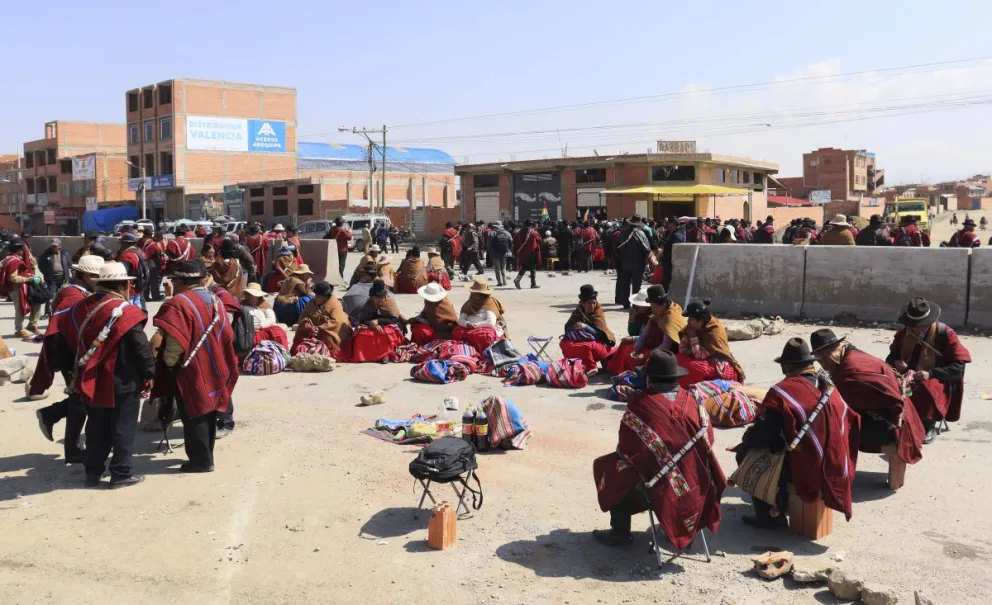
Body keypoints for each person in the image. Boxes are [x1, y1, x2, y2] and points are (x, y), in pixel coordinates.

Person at [592, 350, 726, 548]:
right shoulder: (694, 401)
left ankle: (620, 533)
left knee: (611, 469)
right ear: (675, 377)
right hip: (698, 479)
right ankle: (686, 528)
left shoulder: (641, 404)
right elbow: (709, 439)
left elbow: (627, 448)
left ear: (649, 378)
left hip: (657, 482)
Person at [734, 338, 860, 529]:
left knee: (745, 453)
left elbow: (762, 435)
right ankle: (781, 503)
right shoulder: (830, 386)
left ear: (786, 367)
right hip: (836, 462)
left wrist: (747, 439)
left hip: (807, 466)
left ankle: (770, 516)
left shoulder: (783, 393)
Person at [61, 261, 154, 488]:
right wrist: (150, 373)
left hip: (92, 379)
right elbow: (140, 347)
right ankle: (120, 473)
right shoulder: (126, 312)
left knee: (96, 427)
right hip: (123, 380)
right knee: (123, 427)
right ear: (123, 286)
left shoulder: (81, 308)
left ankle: (92, 473)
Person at [152, 260, 238, 473]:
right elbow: (226, 332)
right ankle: (206, 455)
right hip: (214, 364)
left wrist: (169, 364)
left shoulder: (177, 303)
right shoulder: (216, 299)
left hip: (190, 367)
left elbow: (174, 342)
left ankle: (201, 461)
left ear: (181, 281)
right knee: (208, 411)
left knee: (194, 412)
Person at [811, 328, 924, 465]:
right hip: (892, 414)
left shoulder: (851, 369)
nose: (821, 364)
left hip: (891, 425)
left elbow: (844, 404)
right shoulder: (852, 353)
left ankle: (835, 469)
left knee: (830, 429)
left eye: (821, 359)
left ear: (828, 354)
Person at [30, 255, 104, 463]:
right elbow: (66, 328)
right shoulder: (73, 296)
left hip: (74, 352)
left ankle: (51, 415)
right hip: (71, 354)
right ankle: (72, 449)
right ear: (86, 276)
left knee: (81, 397)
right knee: (81, 400)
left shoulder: (76, 292)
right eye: (97, 277)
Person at [885, 297, 971, 443]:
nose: (913, 328)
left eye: (918, 325)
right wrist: (897, 362)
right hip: (907, 374)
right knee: (886, 385)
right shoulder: (904, 333)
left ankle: (927, 425)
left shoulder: (945, 333)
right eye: (911, 325)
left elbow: (958, 366)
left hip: (937, 376)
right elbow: (891, 357)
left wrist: (930, 373)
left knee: (926, 389)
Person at [608, 285, 686, 375]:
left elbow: (666, 345)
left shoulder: (670, 317)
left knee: (650, 363)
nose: (652, 310)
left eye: (654, 307)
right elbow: (643, 336)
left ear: (664, 305)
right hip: (652, 347)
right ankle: (621, 372)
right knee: (628, 349)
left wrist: (645, 356)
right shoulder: (655, 317)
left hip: (666, 353)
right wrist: (635, 350)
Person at [334, 279, 407, 363]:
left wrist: (378, 321)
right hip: (372, 325)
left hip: (389, 324)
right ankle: (366, 356)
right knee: (362, 335)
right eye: (375, 297)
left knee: (386, 333)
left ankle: (385, 355)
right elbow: (362, 320)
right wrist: (371, 323)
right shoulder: (369, 303)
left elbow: (394, 319)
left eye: (380, 297)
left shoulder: (389, 302)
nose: (377, 300)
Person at [677, 300, 745, 386]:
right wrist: (687, 336)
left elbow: (699, 356)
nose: (688, 322)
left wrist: (693, 337)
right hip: (703, 360)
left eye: (691, 319)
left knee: (690, 367)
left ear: (700, 321)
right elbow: (682, 350)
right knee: (678, 359)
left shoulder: (713, 333)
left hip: (719, 367)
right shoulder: (695, 327)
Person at [560, 285, 616, 375]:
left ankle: (591, 367)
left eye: (594, 302)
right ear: (582, 303)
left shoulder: (598, 311)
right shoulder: (578, 311)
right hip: (584, 340)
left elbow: (601, 334)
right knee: (565, 343)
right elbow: (567, 328)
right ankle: (577, 364)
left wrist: (586, 327)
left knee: (586, 346)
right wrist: (574, 327)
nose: (593, 306)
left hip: (600, 344)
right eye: (589, 303)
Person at [291, 281, 353, 356]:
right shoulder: (311, 303)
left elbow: (336, 321)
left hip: (330, 331)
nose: (316, 298)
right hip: (313, 330)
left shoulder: (335, 305)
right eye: (316, 295)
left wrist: (320, 328)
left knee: (327, 336)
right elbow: (304, 317)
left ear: (325, 297)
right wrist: (309, 326)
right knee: (301, 331)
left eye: (319, 296)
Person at [0, 237, 42, 338]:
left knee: (33, 304)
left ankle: (31, 325)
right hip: (17, 288)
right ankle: (19, 329)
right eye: (21, 249)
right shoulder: (15, 261)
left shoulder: (8, 259)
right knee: (20, 308)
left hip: (18, 288)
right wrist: (28, 279)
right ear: (18, 249)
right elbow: (13, 278)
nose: (23, 251)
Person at [454, 277, 508, 352]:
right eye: (472, 293)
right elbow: (461, 320)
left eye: (474, 293)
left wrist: (476, 325)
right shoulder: (469, 303)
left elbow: (490, 322)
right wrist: (467, 324)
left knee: (484, 336)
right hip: (469, 328)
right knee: (457, 332)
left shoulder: (489, 303)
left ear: (481, 295)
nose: (472, 295)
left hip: (484, 328)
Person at [614, 216, 652, 309]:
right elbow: (646, 249)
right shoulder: (640, 233)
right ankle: (635, 304)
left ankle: (625, 303)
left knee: (625, 284)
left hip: (624, 263)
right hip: (637, 264)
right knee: (636, 285)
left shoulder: (622, 234)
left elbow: (616, 249)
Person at [240, 282, 288, 349]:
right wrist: (250, 328)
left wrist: (260, 326)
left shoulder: (264, 305)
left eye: (252, 294)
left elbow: (271, 319)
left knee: (277, 332)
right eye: (248, 294)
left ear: (257, 296)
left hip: (264, 329)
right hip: (249, 332)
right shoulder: (241, 306)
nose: (249, 296)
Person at [38, 239, 72, 319]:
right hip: (51, 278)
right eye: (52, 246)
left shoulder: (65, 253)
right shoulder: (45, 254)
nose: (53, 247)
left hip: (63, 278)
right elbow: (40, 265)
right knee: (50, 295)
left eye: (55, 246)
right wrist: (46, 273)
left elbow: (69, 264)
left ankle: (59, 312)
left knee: (63, 296)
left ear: (59, 246)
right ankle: (47, 312)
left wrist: (69, 274)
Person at [512, 220, 542, 289]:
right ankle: (533, 284)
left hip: (522, 252)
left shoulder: (519, 232)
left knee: (524, 267)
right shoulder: (533, 232)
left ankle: (518, 279)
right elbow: (540, 239)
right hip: (531, 252)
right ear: (531, 225)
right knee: (532, 268)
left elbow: (515, 242)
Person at [660, 218, 686, 291]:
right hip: (671, 262)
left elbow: (675, 251)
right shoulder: (676, 233)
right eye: (668, 225)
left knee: (666, 283)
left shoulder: (677, 235)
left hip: (671, 262)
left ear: (675, 225)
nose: (669, 227)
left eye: (671, 225)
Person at [143, 231, 166, 301]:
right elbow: (157, 252)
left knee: (147, 281)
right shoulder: (152, 244)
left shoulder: (146, 242)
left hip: (145, 264)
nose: (161, 239)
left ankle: (145, 296)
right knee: (154, 281)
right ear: (158, 237)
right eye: (161, 237)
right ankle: (155, 296)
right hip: (152, 264)